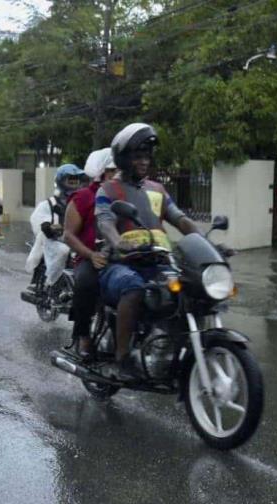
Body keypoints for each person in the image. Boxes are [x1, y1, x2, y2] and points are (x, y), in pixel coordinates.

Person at [96, 123, 200, 379]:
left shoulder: (158, 189)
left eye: (146, 156)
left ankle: (172, 350)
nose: (144, 161)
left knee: (192, 290)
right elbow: (105, 222)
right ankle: (122, 358)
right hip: (120, 264)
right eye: (137, 156)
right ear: (123, 157)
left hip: (159, 261)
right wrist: (118, 241)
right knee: (133, 287)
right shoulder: (108, 189)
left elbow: (180, 219)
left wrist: (204, 242)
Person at [63, 149, 116, 358]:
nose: (118, 174)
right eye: (113, 171)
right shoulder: (83, 197)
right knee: (86, 283)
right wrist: (91, 255)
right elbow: (68, 235)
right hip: (91, 258)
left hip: (122, 257)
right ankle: (83, 336)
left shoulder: (127, 194)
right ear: (101, 173)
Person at [25, 164, 87, 288]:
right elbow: (38, 220)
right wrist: (49, 226)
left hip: (76, 240)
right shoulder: (48, 204)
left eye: (76, 180)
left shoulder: (83, 202)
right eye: (70, 180)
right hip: (54, 241)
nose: (74, 183)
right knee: (63, 251)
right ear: (61, 181)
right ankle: (50, 282)